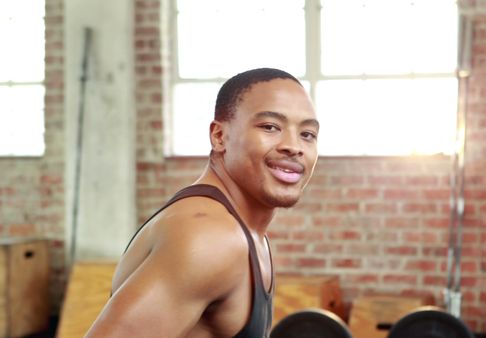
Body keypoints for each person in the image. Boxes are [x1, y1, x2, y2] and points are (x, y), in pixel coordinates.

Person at [85, 68, 320, 338]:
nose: (294, 146)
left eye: (307, 134)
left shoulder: (242, 229)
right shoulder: (210, 236)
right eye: (270, 127)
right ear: (219, 136)